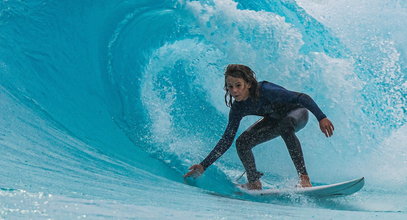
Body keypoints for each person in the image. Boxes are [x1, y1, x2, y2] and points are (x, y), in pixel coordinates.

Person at [183, 64, 334, 190]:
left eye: (238, 85)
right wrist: (204, 165)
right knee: (242, 143)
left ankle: (304, 178)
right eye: (230, 86)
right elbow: (227, 139)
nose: (234, 91)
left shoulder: (266, 90)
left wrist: (321, 117)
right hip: (274, 119)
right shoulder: (238, 108)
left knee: (285, 125)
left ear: (248, 84)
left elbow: (302, 98)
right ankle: (254, 182)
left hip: (297, 113)